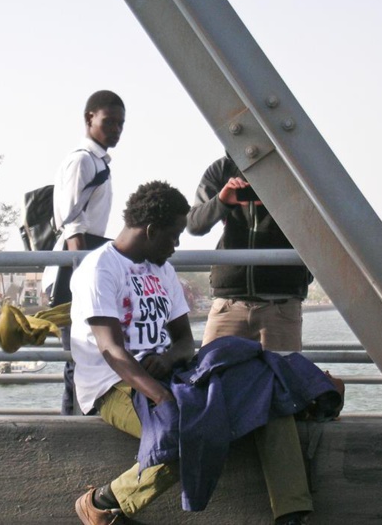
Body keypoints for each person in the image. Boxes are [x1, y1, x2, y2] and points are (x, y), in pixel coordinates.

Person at [71, 181, 313, 525]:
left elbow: (184, 340)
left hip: (168, 376)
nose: (176, 245)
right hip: (115, 386)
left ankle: (292, 514)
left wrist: (169, 359)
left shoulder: (163, 271)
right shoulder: (100, 269)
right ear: (152, 231)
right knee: (188, 433)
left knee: (267, 393)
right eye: (172, 236)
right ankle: (103, 501)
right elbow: (111, 349)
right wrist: (161, 397)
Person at [43, 89, 126, 415]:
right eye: (109, 122)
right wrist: (84, 278)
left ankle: (76, 421)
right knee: (77, 353)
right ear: (89, 118)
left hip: (85, 259)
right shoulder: (82, 160)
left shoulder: (97, 161)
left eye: (121, 124)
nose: (116, 129)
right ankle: (73, 426)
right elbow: (72, 222)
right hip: (75, 265)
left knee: (83, 354)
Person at [186, 153, 313, 351]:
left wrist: (280, 199)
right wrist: (223, 200)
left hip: (281, 304)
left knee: (281, 379)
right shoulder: (223, 168)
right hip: (228, 303)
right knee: (212, 375)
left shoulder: (295, 164)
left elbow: (319, 225)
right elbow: (194, 224)